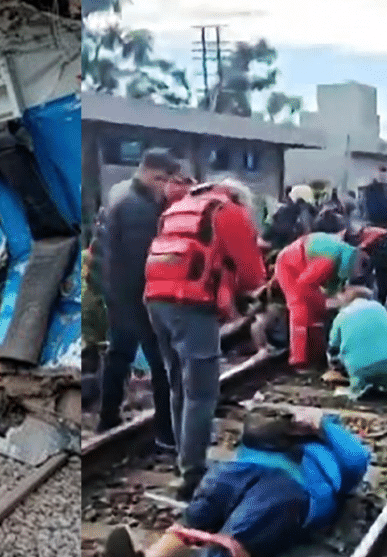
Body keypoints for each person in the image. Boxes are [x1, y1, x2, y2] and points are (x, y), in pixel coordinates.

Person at [143, 175, 267, 499]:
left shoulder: (179, 207)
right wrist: (242, 294)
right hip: (191, 305)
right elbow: (253, 273)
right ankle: (192, 475)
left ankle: (184, 462)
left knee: (178, 387)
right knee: (201, 393)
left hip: (156, 301)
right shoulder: (230, 211)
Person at [104, 410, 369, 557]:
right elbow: (357, 459)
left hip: (257, 479)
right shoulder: (307, 441)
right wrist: (317, 424)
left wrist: (323, 422)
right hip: (264, 480)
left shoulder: (317, 444)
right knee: (211, 531)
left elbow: (357, 460)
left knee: (208, 531)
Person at [98, 148, 180, 452]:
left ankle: (108, 417)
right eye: (165, 180)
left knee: (119, 355)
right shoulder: (138, 208)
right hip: (138, 297)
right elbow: (142, 261)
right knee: (161, 363)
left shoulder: (130, 201)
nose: (166, 187)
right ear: (153, 175)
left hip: (121, 293)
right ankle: (166, 433)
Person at [274, 232, 370, 371]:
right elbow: (303, 285)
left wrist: (331, 302)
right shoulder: (328, 262)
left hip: (307, 269)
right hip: (288, 266)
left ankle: (317, 353)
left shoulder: (344, 259)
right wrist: (325, 302)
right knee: (300, 309)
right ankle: (298, 361)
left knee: (322, 311)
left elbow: (333, 288)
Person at [326, 285, 387, 397]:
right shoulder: (378, 306)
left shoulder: (342, 315)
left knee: (344, 355)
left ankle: (358, 387)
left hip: (362, 368)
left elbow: (333, 345)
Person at [344, 222, 387, 304]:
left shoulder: (367, 236)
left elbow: (360, 251)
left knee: (382, 277)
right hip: (380, 247)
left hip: (385, 245)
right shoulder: (363, 234)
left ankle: (382, 298)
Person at [261, 184, 315, 250]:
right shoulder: (315, 212)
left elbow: (279, 228)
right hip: (308, 249)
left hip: (284, 247)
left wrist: (266, 238)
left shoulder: (288, 210)